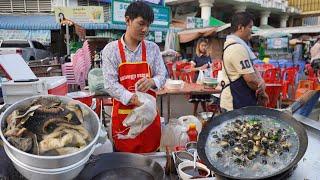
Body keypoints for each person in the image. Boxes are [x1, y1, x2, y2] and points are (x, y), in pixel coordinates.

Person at [101, 1, 167, 153]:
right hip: (124, 119)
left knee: (150, 163)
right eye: (141, 24)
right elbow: (110, 84)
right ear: (127, 20)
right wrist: (133, 99)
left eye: (148, 25)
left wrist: (152, 81)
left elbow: (162, 75)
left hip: (149, 118)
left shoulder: (153, 49)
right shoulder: (111, 50)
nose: (145, 29)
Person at [220, 12, 269, 112]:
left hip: (238, 100)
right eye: (250, 27)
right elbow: (250, 79)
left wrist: (261, 82)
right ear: (240, 28)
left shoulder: (237, 45)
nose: (251, 31)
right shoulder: (237, 48)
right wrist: (262, 91)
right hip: (234, 103)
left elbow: (252, 69)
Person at [188, 38, 212, 115]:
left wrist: (208, 66)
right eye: (202, 45)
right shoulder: (196, 57)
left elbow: (211, 66)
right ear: (199, 46)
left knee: (204, 99)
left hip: (206, 80)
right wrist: (200, 68)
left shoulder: (208, 56)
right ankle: (194, 114)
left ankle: (205, 115)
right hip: (197, 80)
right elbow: (191, 69)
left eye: (205, 45)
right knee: (197, 100)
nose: (204, 47)